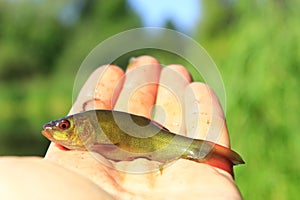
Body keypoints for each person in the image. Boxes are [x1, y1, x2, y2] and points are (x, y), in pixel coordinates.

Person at [0, 56, 242, 199]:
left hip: (154, 140)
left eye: (65, 125)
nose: (57, 130)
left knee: (189, 147)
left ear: (86, 129)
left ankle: (204, 152)